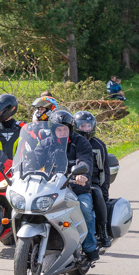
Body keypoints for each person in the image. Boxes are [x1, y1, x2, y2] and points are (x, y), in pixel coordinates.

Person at [48, 110, 99, 261]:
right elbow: (34, 159)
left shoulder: (80, 142)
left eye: (65, 129)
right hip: (52, 189)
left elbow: (85, 160)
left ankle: (89, 247)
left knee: (84, 209)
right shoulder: (46, 143)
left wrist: (81, 174)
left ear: (70, 129)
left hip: (77, 188)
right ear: (53, 130)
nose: (63, 132)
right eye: (59, 129)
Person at [73, 111, 112, 248]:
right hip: (70, 180)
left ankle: (102, 231)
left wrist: (104, 190)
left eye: (88, 126)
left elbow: (103, 170)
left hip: (92, 182)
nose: (86, 129)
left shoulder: (98, 145)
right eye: (82, 126)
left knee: (98, 194)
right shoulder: (71, 143)